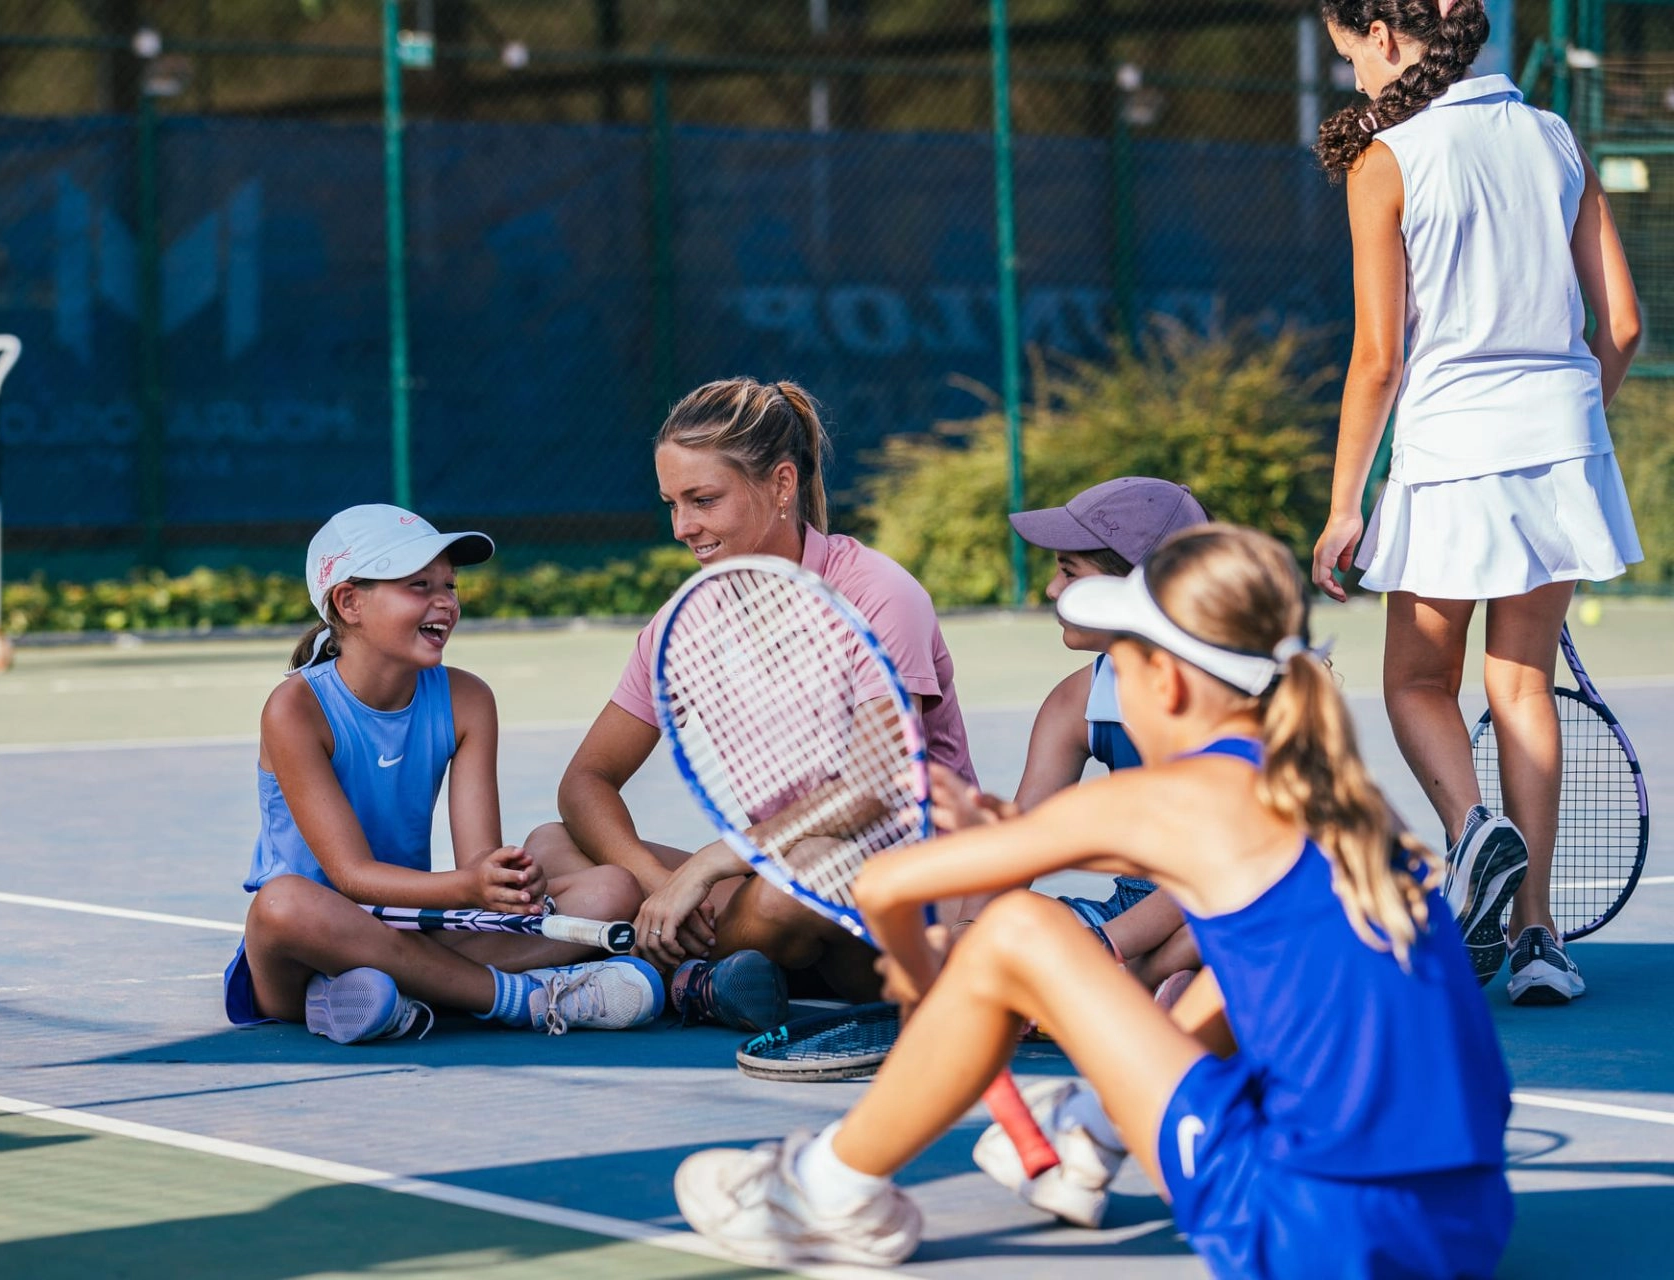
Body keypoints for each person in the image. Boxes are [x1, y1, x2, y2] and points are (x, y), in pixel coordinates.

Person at [672, 524, 1514, 1277]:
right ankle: (1090, 1128)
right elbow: (1219, 941)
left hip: (1307, 1233)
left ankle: (823, 1195)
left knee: (1013, 930)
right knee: (1240, 959)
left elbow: (889, 884)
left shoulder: (1171, 799)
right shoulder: (1342, 801)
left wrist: (920, 957)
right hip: (1464, 1228)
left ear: (1167, 684)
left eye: (1121, 662)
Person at [1309, 0, 1643, 1004]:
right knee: (1521, 687)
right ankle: (1536, 935)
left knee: (1416, 683)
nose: (1354, 83)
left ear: (1382, 37)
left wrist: (1343, 504)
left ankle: (1471, 830)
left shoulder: (1388, 159)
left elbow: (1378, 359)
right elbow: (1618, 325)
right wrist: (1570, 419)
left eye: (1347, 60)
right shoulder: (1554, 136)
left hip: (1451, 453)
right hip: (1562, 448)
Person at [525, 377, 979, 1031]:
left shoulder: (878, 592)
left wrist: (709, 865)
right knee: (551, 843)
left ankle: (679, 976)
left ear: (781, 485)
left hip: (895, 903)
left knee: (810, 875)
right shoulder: (686, 620)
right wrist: (659, 884)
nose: (684, 528)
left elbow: (875, 787)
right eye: (672, 504)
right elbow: (586, 781)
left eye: (704, 500)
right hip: (768, 881)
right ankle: (711, 971)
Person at [224, 504, 664, 1043]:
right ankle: (518, 999)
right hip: (302, 945)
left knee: (612, 890)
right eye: (418, 585)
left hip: (412, 927)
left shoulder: (468, 699)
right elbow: (351, 876)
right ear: (349, 601)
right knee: (281, 902)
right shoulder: (294, 709)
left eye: (450, 586)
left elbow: (477, 861)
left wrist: (503, 881)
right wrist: (468, 887)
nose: (445, 602)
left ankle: (384, 998)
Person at [949, 476, 1210, 995]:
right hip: (1133, 909)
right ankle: (1155, 986)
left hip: (1223, 891)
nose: (1051, 590)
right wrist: (967, 938)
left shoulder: (1223, 703)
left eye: (1070, 572)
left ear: (1139, 588)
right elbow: (1020, 845)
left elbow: (1214, 869)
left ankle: (1150, 981)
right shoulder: (1078, 701)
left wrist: (1106, 948)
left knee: (1230, 923)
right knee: (986, 924)